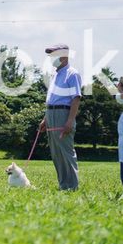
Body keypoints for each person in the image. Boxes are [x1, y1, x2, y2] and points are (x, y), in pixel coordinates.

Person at [39, 43, 82, 190]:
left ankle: (72, 186)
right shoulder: (55, 74)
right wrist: (45, 118)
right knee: (56, 153)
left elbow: (76, 98)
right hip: (51, 113)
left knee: (65, 151)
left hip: (64, 113)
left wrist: (70, 121)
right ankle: (63, 184)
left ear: (64, 55)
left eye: (54, 55)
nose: (51, 59)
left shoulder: (72, 73)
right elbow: (52, 98)